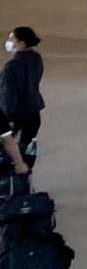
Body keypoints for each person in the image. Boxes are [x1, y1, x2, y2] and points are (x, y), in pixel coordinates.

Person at [1, 28, 41, 178]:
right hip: (33, 110)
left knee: (8, 148)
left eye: (13, 39)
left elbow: (8, 95)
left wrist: (8, 119)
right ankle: (26, 172)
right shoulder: (36, 58)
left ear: (22, 43)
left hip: (17, 114)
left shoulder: (11, 67)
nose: (9, 42)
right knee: (29, 144)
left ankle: (14, 174)